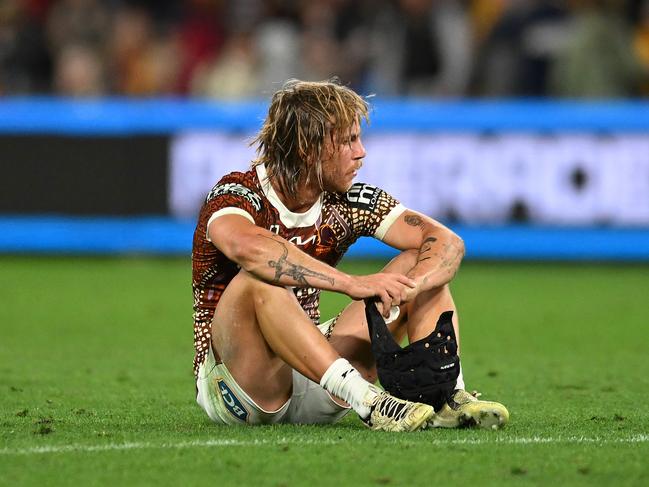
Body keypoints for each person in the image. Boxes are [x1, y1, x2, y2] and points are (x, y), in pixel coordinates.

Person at [191, 78, 508, 431]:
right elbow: (247, 248)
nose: (362, 152)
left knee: (415, 263)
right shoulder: (237, 194)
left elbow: (447, 242)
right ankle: (370, 402)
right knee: (258, 280)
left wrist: (412, 288)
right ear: (307, 147)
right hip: (244, 388)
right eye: (348, 140)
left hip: (317, 374)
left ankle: (447, 397)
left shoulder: (348, 200)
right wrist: (350, 284)